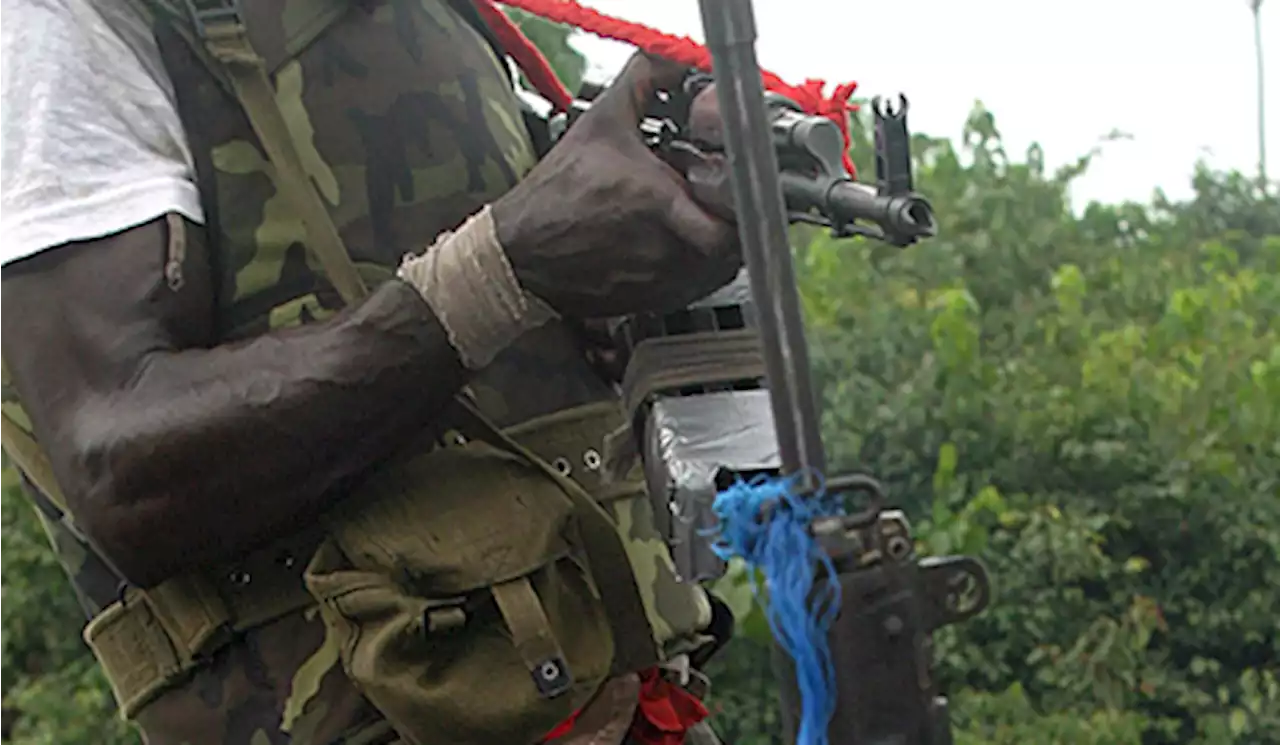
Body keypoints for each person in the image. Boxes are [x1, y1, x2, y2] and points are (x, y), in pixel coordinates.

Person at [0, 1, 742, 744]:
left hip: (632, 699)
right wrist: (501, 270)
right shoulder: (59, 25)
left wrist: (629, 241)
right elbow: (119, 467)